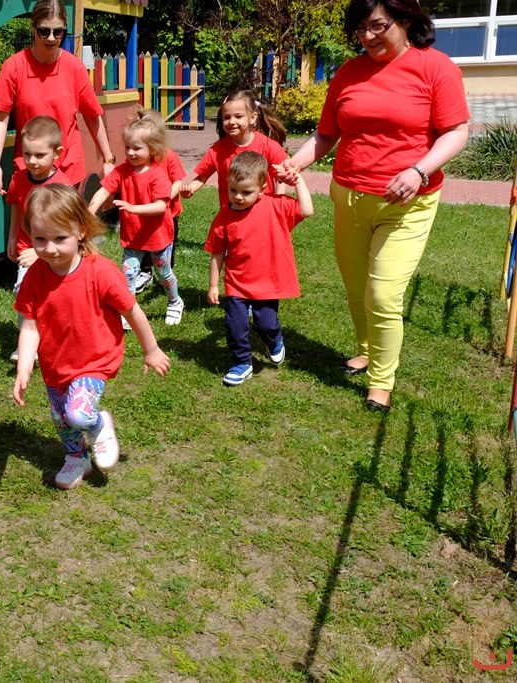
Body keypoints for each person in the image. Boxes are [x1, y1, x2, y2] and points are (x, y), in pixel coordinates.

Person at [284, 0, 469, 412]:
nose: (368, 37)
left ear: (405, 21)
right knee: (356, 288)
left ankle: (381, 382)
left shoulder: (436, 68)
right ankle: (366, 349)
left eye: (378, 26)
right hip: (348, 196)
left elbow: (456, 132)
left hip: (407, 204)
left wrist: (418, 171)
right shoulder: (348, 73)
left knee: (383, 294)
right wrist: (295, 163)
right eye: (361, 28)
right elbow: (326, 133)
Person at [13, 184, 170, 490]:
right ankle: (77, 458)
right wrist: (24, 368)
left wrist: (151, 349)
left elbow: (132, 311)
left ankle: (98, 425)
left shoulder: (100, 272)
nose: (50, 248)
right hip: (56, 364)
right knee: (61, 418)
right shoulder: (35, 277)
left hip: (94, 360)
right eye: (40, 239)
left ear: (81, 231)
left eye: (60, 238)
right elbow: (30, 327)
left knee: (79, 414)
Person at [204, 152, 314, 386]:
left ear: (263, 189)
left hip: (267, 282)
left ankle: (274, 340)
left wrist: (297, 181)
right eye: (233, 190)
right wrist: (214, 285)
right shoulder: (224, 216)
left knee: (266, 324)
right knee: (235, 326)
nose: (238, 197)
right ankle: (241, 363)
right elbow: (217, 252)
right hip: (236, 283)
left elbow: (306, 210)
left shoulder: (275, 206)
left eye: (246, 192)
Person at [0, 0, 115, 195]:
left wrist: (108, 160)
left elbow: (92, 116)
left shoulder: (74, 67)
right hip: (29, 168)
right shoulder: (14, 67)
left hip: (67, 172)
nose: (51, 38)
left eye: (58, 32)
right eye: (44, 31)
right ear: (33, 28)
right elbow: (0, 119)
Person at [88, 109, 184, 326]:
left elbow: (161, 206)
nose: (130, 153)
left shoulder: (158, 174)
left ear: (153, 149)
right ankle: (128, 313)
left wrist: (132, 208)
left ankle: (174, 301)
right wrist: (90, 211)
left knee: (163, 273)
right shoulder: (122, 171)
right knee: (128, 275)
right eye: (127, 147)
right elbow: (103, 191)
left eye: (137, 148)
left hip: (158, 236)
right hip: (132, 237)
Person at [5, 115, 72, 362]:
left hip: (56, 252)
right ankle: (28, 344)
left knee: (56, 296)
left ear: (57, 153)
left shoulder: (62, 185)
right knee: (24, 292)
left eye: (40, 155)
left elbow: (69, 225)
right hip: (27, 248)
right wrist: (13, 236)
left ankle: (58, 337)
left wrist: (41, 251)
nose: (32, 161)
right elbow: (16, 205)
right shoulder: (19, 179)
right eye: (27, 154)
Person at [180, 90, 288, 203]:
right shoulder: (218, 149)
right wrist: (191, 188)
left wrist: (279, 200)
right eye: (227, 117)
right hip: (230, 210)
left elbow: (281, 176)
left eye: (238, 116)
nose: (231, 121)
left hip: (263, 209)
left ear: (252, 117)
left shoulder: (268, 145)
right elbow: (202, 176)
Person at [133, 109, 187, 295]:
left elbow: (178, 181)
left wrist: (164, 198)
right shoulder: (140, 157)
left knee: (166, 246)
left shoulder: (169, 156)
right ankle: (145, 271)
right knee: (145, 241)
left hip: (169, 213)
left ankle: (166, 273)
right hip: (147, 211)